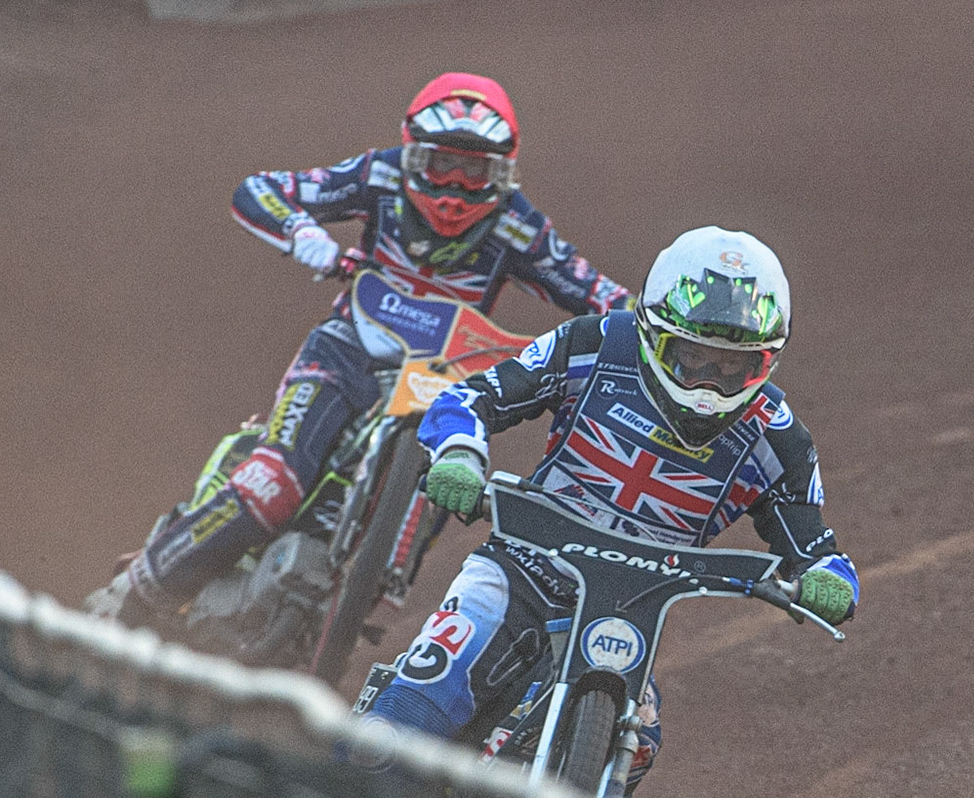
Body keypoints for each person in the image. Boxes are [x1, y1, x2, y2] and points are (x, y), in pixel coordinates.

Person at [89, 72, 633, 625]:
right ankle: (132, 595)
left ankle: (376, 582)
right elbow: (259, 190)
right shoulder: (380, 175)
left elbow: (606, 298)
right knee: (274, 483)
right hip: (347, 352)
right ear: (410, 152)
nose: (453, 188)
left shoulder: (520, 228)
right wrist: (309, 240)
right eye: (440, 163)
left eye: (474, 171)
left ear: (503, 172)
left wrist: (663, 326)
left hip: (441, 377)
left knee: (455, 462)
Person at [365, 225, 860, 793]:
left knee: (640, 740)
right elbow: (469, 397)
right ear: (652, 331)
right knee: (414, 708)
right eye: (693, 357)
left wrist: (829, 579)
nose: (709, 385)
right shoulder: (596, 344)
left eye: (734, 368)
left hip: (629, 611)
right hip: (522, 570)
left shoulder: (778, 437)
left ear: (767, 363)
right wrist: (459, 455)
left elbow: (814, 544)